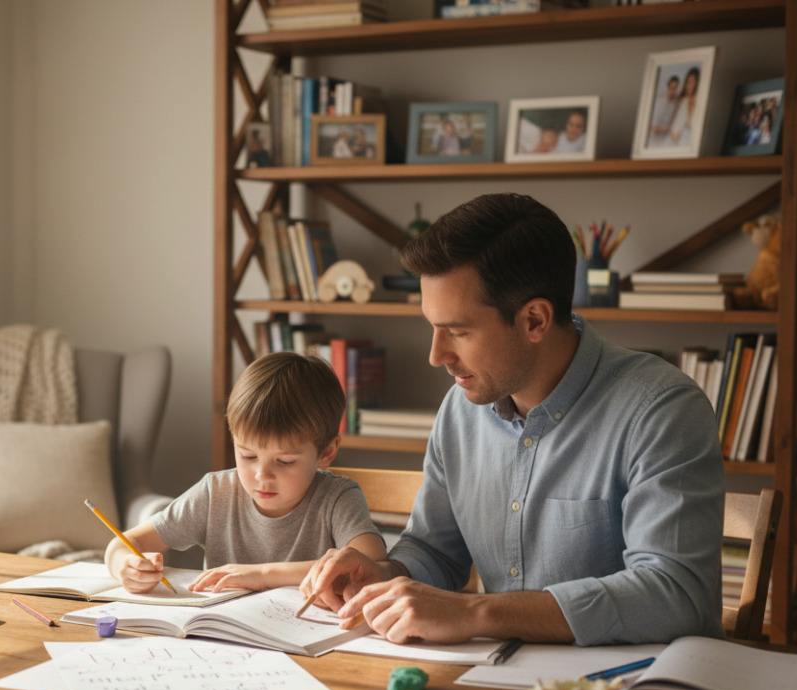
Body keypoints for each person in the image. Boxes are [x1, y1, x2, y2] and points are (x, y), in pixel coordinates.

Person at [301, 193, 725, 647]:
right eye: (433, 327)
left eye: (458, 331)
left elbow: (676, 593)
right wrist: (385, 575)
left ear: (535, 320)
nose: (436, 355)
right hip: (496, 678)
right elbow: (435, 551)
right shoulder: (460, 410)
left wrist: (477, 612)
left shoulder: (661, 409)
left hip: (631, 685)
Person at [106, 350, 386, 594]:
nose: (262, 475)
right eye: (248, 455)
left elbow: (372, 563)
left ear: (326, 452)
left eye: (285, 461)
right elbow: (124, 544)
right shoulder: (215, 493)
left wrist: (263, 575)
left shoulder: (337, 498)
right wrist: (125, 566)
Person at [669, 67, 701, 147]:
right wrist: (672, 132)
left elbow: (690, 124)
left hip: (683, 138)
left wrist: (680, 132)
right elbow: (675, 118)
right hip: (673, 137)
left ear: (697, 83)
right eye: (688, 82)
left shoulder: (695, 99)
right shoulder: (682, 99)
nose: (689, 85)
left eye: (692, 82)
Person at [648, 75, 680, 148]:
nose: (673, 91)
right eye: (671, 88)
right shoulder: (659, 103)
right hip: (653, 142)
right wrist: (668, 129)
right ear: (668, 88)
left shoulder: (675, 102)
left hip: (665, 141)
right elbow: (653, 128)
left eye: (675, 88)